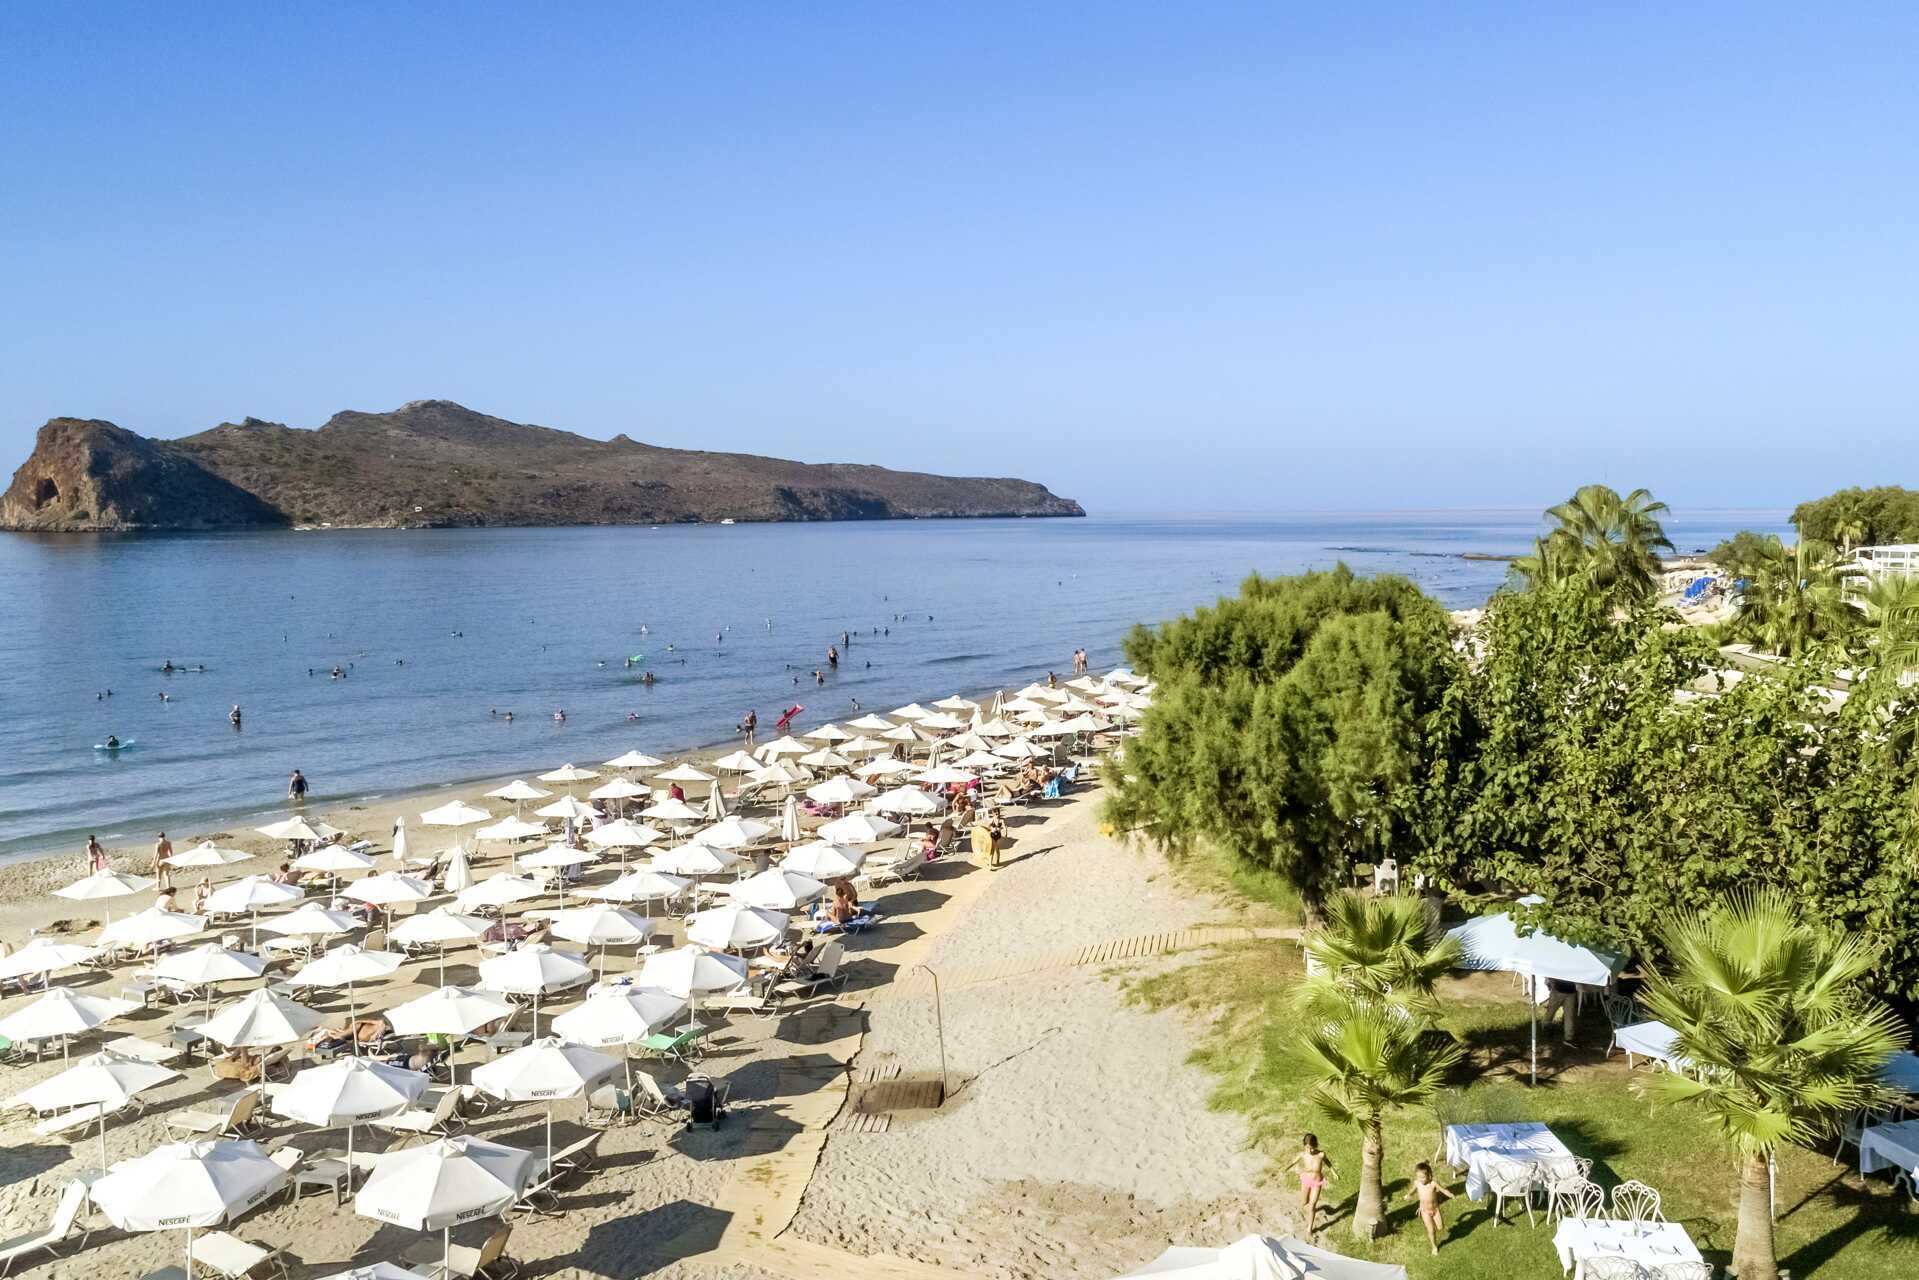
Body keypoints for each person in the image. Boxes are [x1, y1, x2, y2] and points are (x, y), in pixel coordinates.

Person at [1292, 1133, 1336, 1232]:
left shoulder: (1321, 1154)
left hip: (1317, 1182)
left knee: (1312, 1205)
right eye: (1307, 1148)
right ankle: (1302, 1208)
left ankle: (1309, 1229)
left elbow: (1328, 1162)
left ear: (1315, 1145)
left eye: (1311, 1148)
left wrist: (1334, 1172)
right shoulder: (1303, 1154)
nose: (1309, 1151)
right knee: (1304, 1202)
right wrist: (1285, 1168)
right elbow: (1293, 1162)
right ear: (1304, 1146)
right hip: (1306, 1180)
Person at [1408, 1161, 1454, 1255]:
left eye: (1422, 1177)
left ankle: (1437, 1227)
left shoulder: (1433, 1183)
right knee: (1431, 1230)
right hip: (1424, 1211)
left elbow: (1443, 1190)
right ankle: (1434, 1246)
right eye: (1418, 1177)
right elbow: (1412, 1191)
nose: (1420, 1179)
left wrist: (1450, 1194)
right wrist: (1408, 1195)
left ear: (1429, 1175)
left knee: (1440, 1227)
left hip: (1435, 1210)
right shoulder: (1417, 1183)